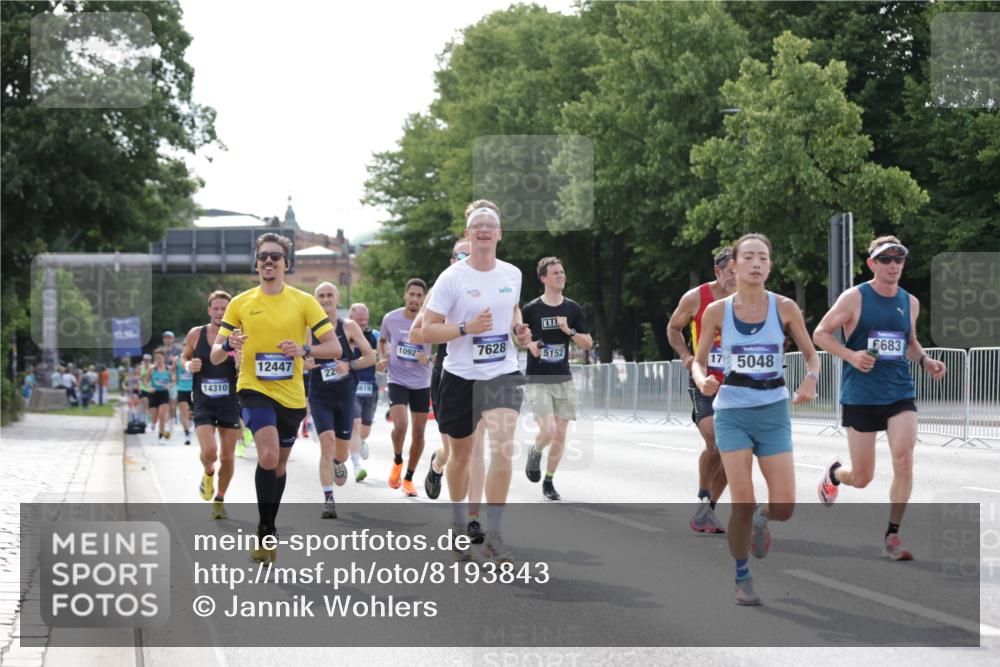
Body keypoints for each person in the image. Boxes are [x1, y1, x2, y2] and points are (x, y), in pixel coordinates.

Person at [692, 233, 820, 606]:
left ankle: (764, 520)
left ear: (770, 265)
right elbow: (699, 361)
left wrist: (811, 379)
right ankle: (742, 576)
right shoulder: (718, 311)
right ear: (733, 265)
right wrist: (703, 380)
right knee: (741, 502)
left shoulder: (785, 308)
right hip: (732, 411)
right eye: (748, 257)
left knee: (785, 506)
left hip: (773, 410)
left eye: (763, 257)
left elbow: (812, 356)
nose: (756, 263)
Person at [813, 235, 947, 560]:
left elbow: (909, 341)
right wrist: (851, 355)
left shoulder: (909, 302)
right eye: (885, 259)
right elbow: (820, 333)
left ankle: (892, 535)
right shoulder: (854, 298)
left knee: (904, 457)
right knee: (862, 477)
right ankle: (834, 475)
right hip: (860, 394)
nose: (893, 265)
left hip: (899, 391)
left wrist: (925, 360)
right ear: (872, 263)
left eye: (898, 259)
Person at [210, 232, 341, 564]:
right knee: (267, 456)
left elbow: (334, 348)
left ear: (286, 264)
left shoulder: (303, 302)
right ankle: (265, 530)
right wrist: (228, 345)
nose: (269, 261)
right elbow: (214, 354)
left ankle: (268, 522)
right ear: (256, 263)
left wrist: (305, 349)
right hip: (254, 388)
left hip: (292, 397)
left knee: (279, 466)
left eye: (275, 256)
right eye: (263, 256)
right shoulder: (240, 303)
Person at [421, 200, 532, 562]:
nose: (484, 229)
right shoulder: (452, 278)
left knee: (502, 448)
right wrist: (466, 328)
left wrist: (517, 327)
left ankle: (495, 533)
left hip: (502, 371)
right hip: (460, 374)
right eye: (477, 225)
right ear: (468, 235)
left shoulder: (512, 274)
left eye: (490, 224)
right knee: (461, 455)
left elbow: (513, 307)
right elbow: (425, 331)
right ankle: (457, 521)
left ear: (499, 234)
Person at [667, 248, 737, 533]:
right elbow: (674, 328)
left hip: (737, 385)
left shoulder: (752, 299)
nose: (736, 277)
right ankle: (703, 499)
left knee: (732, 451)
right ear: (717, 273)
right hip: (704, 381)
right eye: (730, 272)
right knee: (718, 442)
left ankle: (706, 509)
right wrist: (686, 356)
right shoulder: (696, 297)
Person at [522, 257, 593, 501]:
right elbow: (517, 338)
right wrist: (531, 345)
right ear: (543, 278)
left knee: (561, 435)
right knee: (548, 430)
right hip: (538, 377)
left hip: (563, 378)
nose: (561, 276)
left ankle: (549, 481)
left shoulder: (573, 309)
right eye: (555, 273)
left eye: (562, 272)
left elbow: (588, 343)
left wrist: (569, 331)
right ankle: (536, 449)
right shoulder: (531, 309)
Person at [304, 283, 375, 519]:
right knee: (326, 442)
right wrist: (306, 363)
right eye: (320, 296)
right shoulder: (306, 329)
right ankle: (328, 498)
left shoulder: (349, 326)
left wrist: (349, 365)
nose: (325, 300)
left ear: (337, 298)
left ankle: (338, 461)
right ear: (315, 300)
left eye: (329, 295)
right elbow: (299, 359)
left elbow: (371, 356)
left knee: (341, 453)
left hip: (345, 395)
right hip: (320, 396)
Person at [182, 290, 243, 520]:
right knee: (210, 452)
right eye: (216, 308)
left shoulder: (239, 336)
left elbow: (249, 362)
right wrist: (189, 366)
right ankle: (208, 472)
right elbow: (184, 357)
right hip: (203, 401)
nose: (220, 312)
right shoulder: (196, 334)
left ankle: (220, 498)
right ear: (209, 310)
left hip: (229, 402)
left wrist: (241, 362)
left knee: (228, 457)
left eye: (224, 309)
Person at [378, 279, 433, 497]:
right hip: (397, 379)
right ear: (405, 295)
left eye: (420, 295)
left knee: (419, 432)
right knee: (401, 425)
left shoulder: (431, 320)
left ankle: (409, 478)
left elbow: (441, 348)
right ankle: (398, 460)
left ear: (424, 298)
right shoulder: (391, 318)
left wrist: (427, 358)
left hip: (421, 382)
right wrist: (382, 358)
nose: (415, 299)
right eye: (412, 294)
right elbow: (382, 340)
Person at [348, 303, 380, 482]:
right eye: (359, 320)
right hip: (351, 386)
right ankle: (356, 465)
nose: (362, 323)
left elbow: (383, 354)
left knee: (365, 429)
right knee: (355, 423)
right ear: (352, 318)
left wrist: (381, 359)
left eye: (365, 320)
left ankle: (359, 441)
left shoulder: (373, 335)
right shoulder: (345, 335)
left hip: (370, 387)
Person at [149, 352, 173, 442]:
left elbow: (173, 380)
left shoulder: (168, 369)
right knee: (154, 418)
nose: (158, 360)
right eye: (156, 358)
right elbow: (144, 380)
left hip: (164, 394)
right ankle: (153, 423)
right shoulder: (152, 369)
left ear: (164, 358)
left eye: (160, 358)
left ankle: (161, 436)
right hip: (154, 394)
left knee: (162, 415)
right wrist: (149, 387)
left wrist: (170, 385)